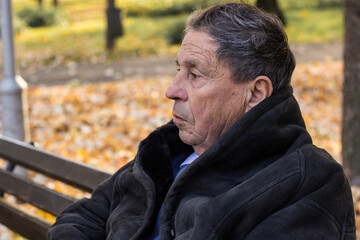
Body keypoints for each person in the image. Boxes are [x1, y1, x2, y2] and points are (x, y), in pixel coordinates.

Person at [48, 3, 355, 240]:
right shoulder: (169, 150)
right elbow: (81, 218)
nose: (172, 90)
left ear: (256, 93)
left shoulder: (308, 180)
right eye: (178, 70)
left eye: (194, 75)